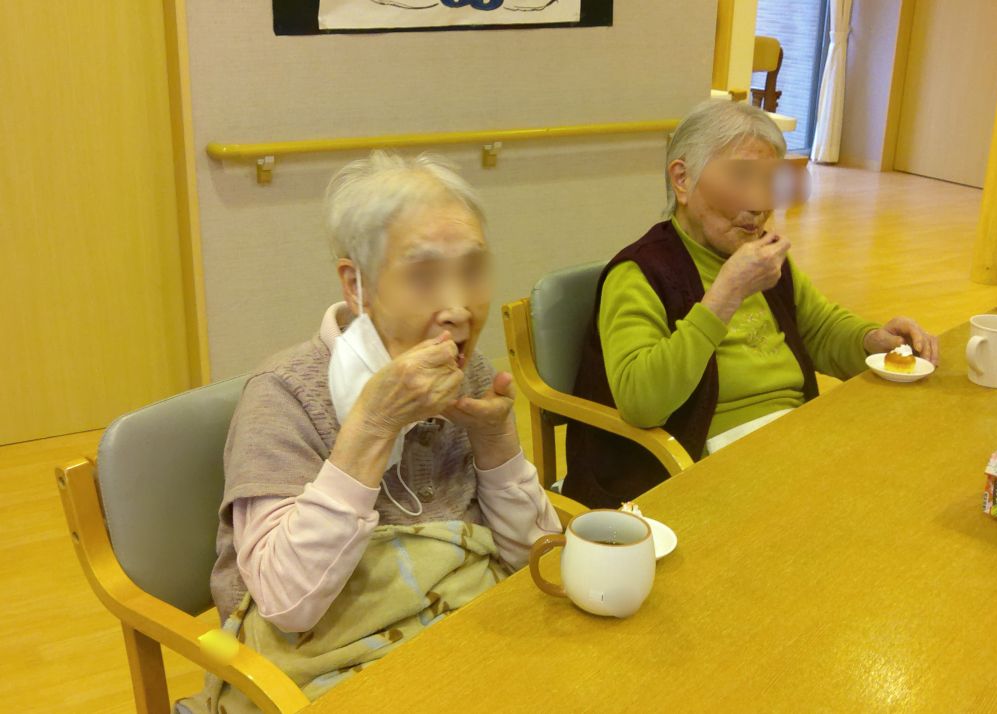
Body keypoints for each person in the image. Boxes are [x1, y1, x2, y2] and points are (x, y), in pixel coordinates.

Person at [181, 151, 560, 712]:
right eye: (423, 275)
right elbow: (288, 605)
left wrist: (496, 443)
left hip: (467, 643)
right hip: (323, 669)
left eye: (472, 270)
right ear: (355, 285)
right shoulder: (284, 394)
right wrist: (374, 425)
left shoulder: (472, 375)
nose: (458, 307)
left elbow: (534, 554)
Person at [562, 101, 939, 509]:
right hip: (696, 459)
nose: (760, 203)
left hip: (791, 434)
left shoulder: (762, 256)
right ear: (682, 179)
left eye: (769, 181)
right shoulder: (639, 273)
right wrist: (724, 297)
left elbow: (819, 328)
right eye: (742, 177)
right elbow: (641, 402)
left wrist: (872, 340)